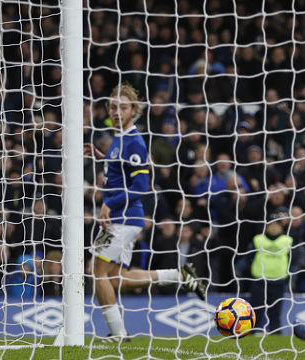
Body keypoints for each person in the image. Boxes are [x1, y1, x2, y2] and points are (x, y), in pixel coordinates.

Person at [84, 84, 206, 342]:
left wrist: (109, 204)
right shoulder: (118, 139)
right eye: (113, 107)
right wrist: (101, 156)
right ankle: (179, 275)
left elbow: (141, 187)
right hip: (123, 217)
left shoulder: (134, 142)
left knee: (96, 272)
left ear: (134, 111)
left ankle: (118, 335)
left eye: (123, 108)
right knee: (115, 278)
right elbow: (122, 172)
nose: (117, 112)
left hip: (123, 218)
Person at [249, 206, 293, 334]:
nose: (274, 227)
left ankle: (276, 333)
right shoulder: (258, 239)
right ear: (266, 226)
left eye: (277, 225)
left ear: (281, 227)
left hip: (278, 281)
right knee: (256, 311)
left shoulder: (288, 240)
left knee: (275, 313)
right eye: (271, 224)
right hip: (259, 280)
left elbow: (293, 259)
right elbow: (249, 257)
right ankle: (251, 334)